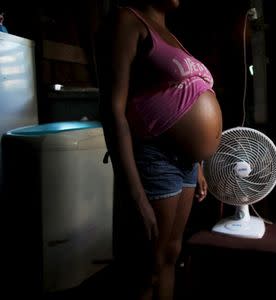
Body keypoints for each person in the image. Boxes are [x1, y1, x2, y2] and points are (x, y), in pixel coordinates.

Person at [95, 0, 223, 299]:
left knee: (170, 257)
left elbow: (182, 98)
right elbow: (113, 109)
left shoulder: (170, 33)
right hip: (155, 158)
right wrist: (135, 193)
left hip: (187, 164)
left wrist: (199, 163)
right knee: (146, 266)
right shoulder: (128, 20)